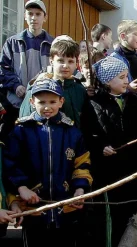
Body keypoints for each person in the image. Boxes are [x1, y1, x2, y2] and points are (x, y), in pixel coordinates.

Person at [3, 78, 92, 247]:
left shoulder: (73, 133)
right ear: (31, 101)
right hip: (32, 211)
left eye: (52, 101)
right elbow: (11, 165)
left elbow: (82, 165)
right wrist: (21, 189)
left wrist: (80, 190)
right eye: (41, 102)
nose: (47, 107)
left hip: (67, 209)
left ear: (61, 101)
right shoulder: (20, 132)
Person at [80, 56, 137, 246]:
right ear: (106, 81)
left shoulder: (136, 103)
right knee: (110, 216)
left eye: (126, 75)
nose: (126, 80)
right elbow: (87, 135)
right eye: (121, 77)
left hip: (133, 169)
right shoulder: (94, 104)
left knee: (131, 214)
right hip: (107, 172)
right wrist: (100, 148)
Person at [0, 0, 53, 135]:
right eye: (30, 14)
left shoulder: (53, 44)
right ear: (25, 16)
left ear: (45, 17)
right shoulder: (12, 43)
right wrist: (16, 86)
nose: (33, 17)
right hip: (15, 106)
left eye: (38, 14)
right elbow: (3, 69)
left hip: (43, 106)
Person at [18, 40, 88, 128]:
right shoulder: (38, 88)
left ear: (76, 64)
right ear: (51, 61)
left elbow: (86, 121)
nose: (65, 65)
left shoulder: (80, 90)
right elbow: (25, 119)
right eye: (60, 61)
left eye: (70, 61)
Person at [110, 20, 137, 97]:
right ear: (123, 36)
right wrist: (128, 88)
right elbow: (110, 85)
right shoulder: (114, 59)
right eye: (136, 34)